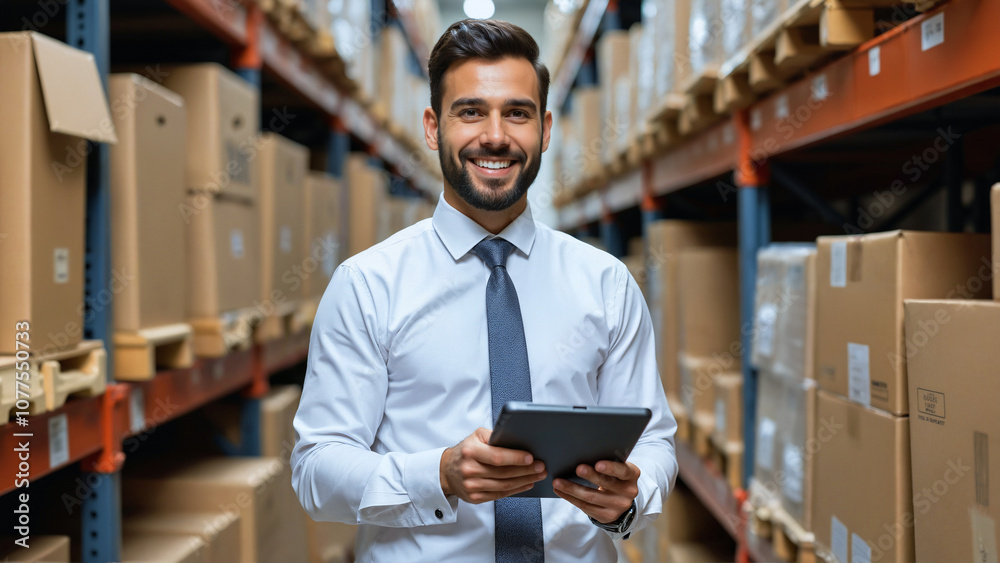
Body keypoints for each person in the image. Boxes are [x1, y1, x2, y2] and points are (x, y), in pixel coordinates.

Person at [291, 18, 677, 562]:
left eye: (516, 113)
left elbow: (655, 441)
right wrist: (439, 474)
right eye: (470, 111)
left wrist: (628, 499)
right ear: (433, 127)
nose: (495, 136)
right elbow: (315, 469)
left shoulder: (605, 283)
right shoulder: (368, 285)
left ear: (544, 130)